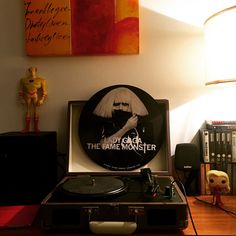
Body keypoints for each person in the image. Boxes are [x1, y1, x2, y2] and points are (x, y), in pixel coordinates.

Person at [19, 67, 47, 132]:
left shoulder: (41, 80)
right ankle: (27, 128)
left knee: (36, 110)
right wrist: (21, 98)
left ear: (36, 71)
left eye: (33, 70)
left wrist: (42, 99)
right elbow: (20, 90)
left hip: (35, 95)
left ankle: (36, 128)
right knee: (28, 110)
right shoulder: (24, 80)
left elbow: (44, 91)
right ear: (29, 71)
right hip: (28, 95)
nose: (32, 72)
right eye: (31, 71)